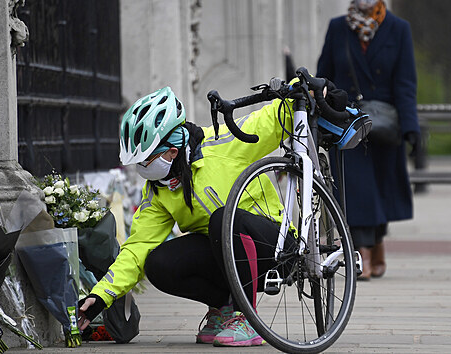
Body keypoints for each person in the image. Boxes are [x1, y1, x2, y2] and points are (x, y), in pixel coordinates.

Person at [75, 84, 354, 347]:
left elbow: (272, 118)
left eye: (144, 161)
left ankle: (247, 320)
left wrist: (305, 87)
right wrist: (100, 297)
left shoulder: (223, 143)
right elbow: (136, 249)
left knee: (224, 217)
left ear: (172, 152)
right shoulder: (158, 192)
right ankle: (224, 308)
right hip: (225, 256)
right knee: (157, 263)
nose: (141, 169)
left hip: (276, 248)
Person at [316, 0, 420, 280]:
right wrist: (320, 116)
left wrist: (411, 128)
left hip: (384, 125)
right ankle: (359, 251)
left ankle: (376, 243)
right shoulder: (338, 28)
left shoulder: (399, 29)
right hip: (348, 122)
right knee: (356, 191)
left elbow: (406, 83)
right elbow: (324, 77)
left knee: (381, 190)